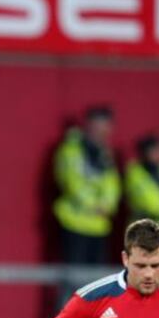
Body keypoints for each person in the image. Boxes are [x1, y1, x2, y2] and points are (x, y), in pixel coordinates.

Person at [53, 106, 122, 266]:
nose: (104, 132)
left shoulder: (105, 155)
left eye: (107, 128)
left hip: (99, 226)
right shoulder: (71, 150)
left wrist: (107, 205)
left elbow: (112, 183)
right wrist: (94, 206)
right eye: (101, 127)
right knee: (74, 280)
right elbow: (71, 182)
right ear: (89, 125)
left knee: (96, 283)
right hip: (74, 222)